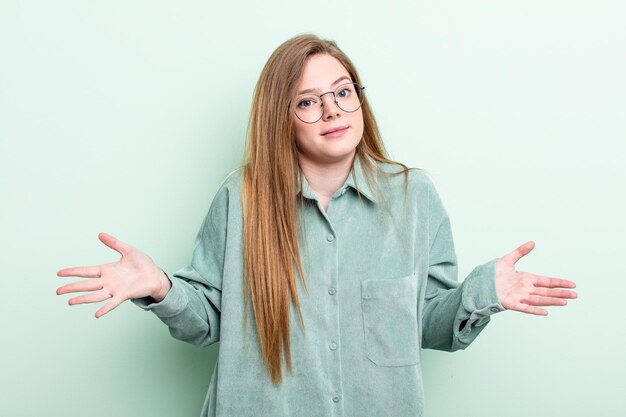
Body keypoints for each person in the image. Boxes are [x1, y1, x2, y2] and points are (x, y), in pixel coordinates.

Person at [56, 34, 577, 417]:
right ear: (280, 117)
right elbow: (205, 323)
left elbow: (427, 328)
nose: (332, 110)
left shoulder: (415, 198)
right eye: (308, 101)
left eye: (343, 91)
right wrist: (160, 287)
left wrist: (483, 291)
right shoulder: (241, 198)